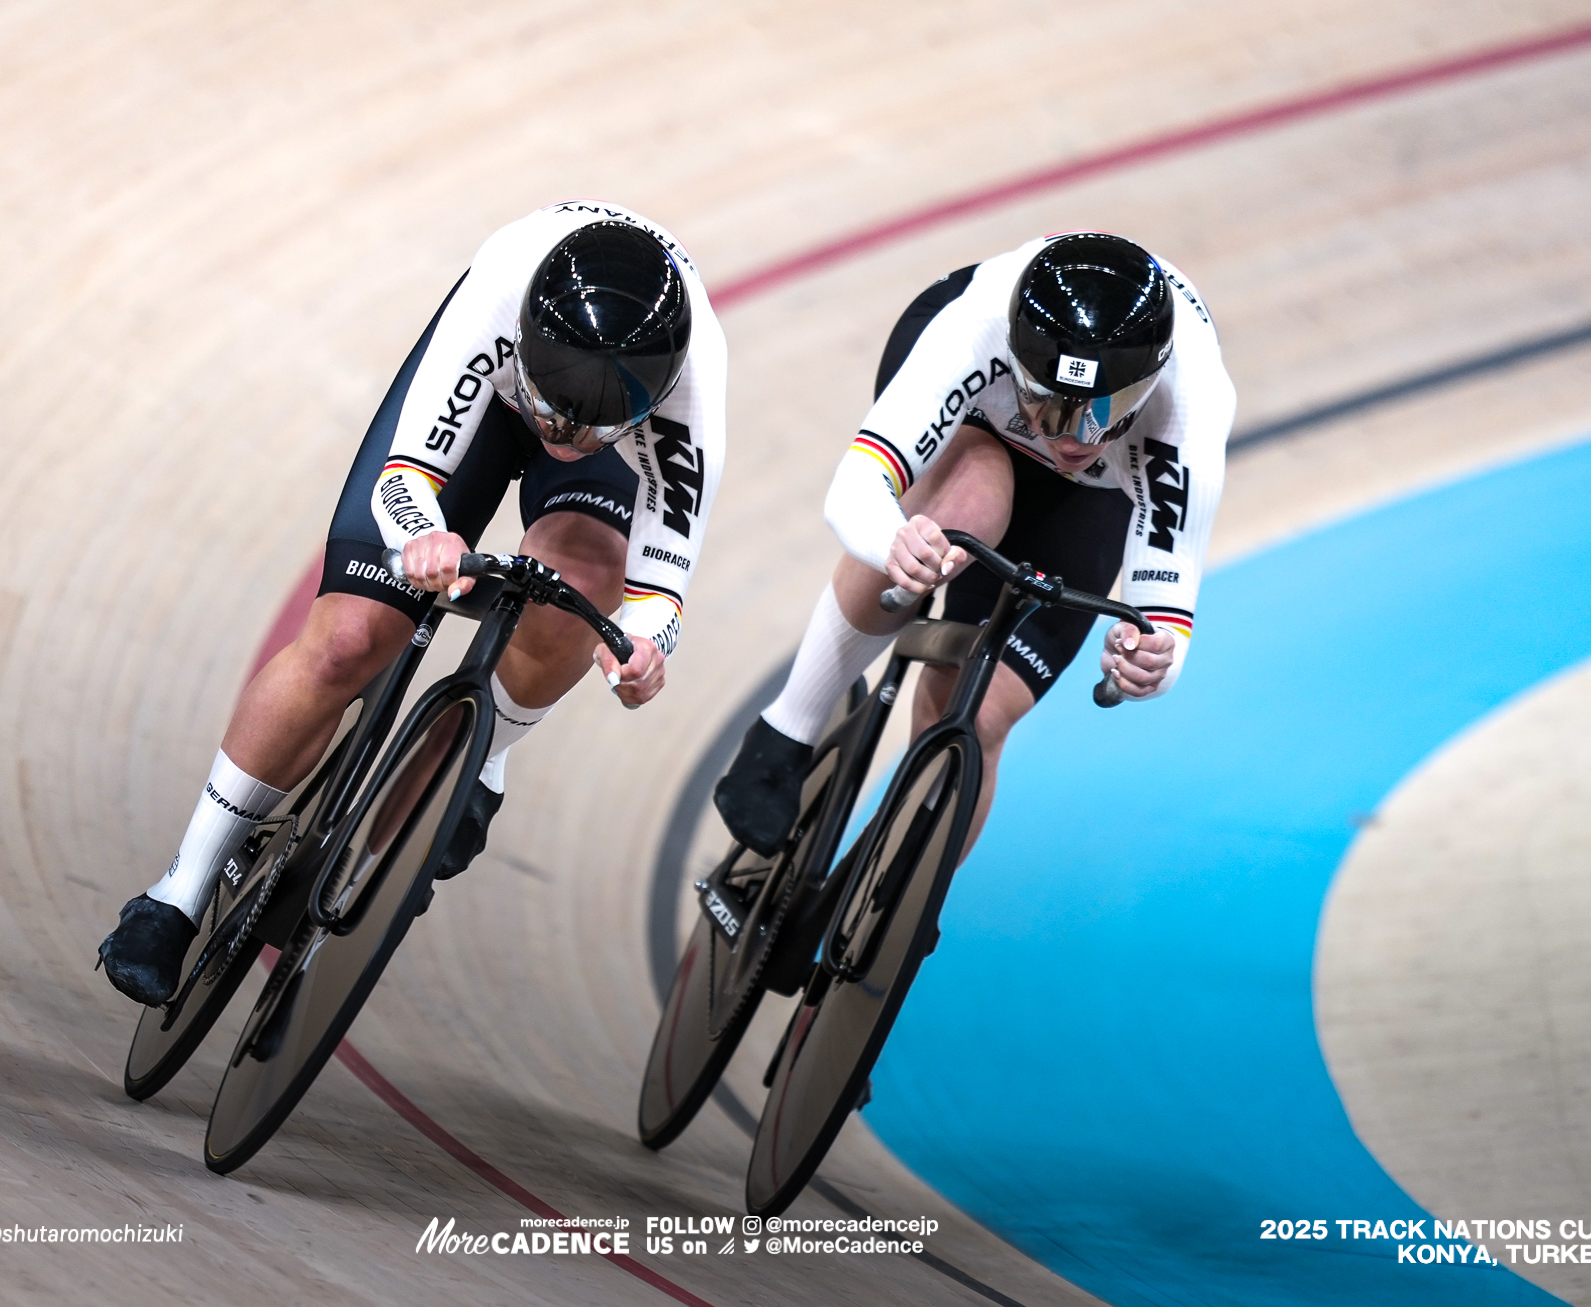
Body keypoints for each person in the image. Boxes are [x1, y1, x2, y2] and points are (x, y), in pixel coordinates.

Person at [100, 202, 727, 1005]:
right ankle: (178, 892)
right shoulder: (499, 296)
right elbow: (407, 477)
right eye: (552, 413)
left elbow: (658, 587)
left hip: (615, 441)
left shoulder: (693, 393)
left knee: (583, 584)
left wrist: (639, 647)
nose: (561, 433)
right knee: (349, 638)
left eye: (588, 428)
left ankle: (483, 753)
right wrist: (423, 535)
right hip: (484, 394)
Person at [716, 231, 1232, 857]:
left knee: (981, 713)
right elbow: (854, 491)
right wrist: (894, 541)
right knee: (966, 508)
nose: (1071, 438)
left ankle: (899, 895)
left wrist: (1148, 661)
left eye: (1102, 414)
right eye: (1051, 407)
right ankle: (787, 730)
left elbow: (1163, 611)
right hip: (981, 419)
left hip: (1097, 490)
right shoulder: (977, 327)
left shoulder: (1190, 409)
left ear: (1148, 388)